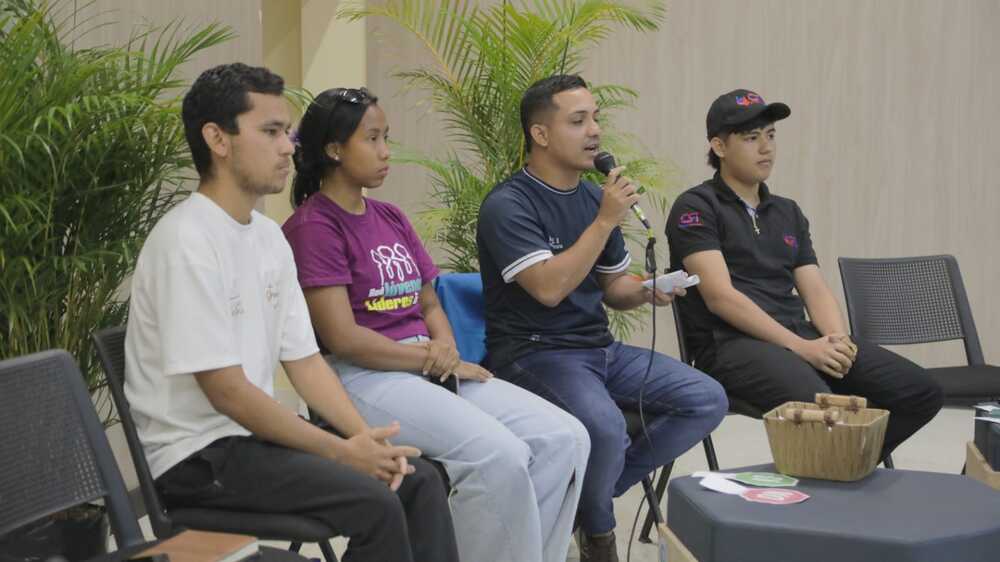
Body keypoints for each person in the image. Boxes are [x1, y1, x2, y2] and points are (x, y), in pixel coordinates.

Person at [124, 63, 459, 562]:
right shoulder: (186, 242)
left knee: (419, 480)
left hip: (252, 440)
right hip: (198, 458)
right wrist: (342, 452)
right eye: (271, 132)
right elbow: (228, 393)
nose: (288, 147)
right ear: (217, 139)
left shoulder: (266, 236)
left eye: (288, 132)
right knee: (376, 502)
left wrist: (361, 437)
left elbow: (305, 360)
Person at [282, 87, 591, 562]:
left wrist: (445, 344)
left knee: (565, 438)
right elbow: (344, 339)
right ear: (334, 149)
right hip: (362, 377)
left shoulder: (390, 216)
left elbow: (429, 303)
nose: (386, 151)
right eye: (372, 139)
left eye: (387, 138)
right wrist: (430, 356)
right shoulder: (313, 227)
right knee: (499, 455)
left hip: (427, 365)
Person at [476, 74, 728, 562]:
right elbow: (549, 289)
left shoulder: (594, 200)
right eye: (578, 121)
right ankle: (599, 538)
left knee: (706, 399)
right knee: (607, 428)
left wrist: (649, 288)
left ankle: (581, 505)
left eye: (595, 118)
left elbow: (613, 289)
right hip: (534, 354)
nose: (594, 130)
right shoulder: (509, 205)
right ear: (540, 134)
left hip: (598, 350)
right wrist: (606, 220)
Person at [665, 88, 943, 462]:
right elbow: (720, 298)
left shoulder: (788, 212)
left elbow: (815, 288)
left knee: (920, 392)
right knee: (826, 407)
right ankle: (833, 473)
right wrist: (802, 348)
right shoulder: (697, 206)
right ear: (719, 146)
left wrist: (836, 340)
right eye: (751, 138)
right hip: (730, 344)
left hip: (800, 335)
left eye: (770, 135)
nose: (766, 147)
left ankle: (845, 469)